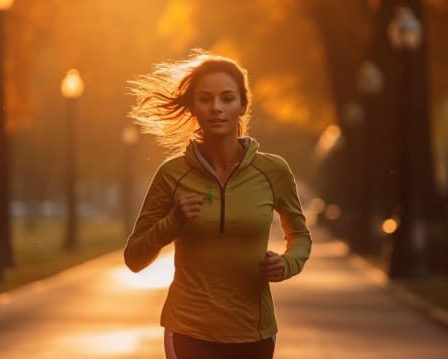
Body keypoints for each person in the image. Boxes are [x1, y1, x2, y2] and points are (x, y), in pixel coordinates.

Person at [124, 49, 312, 359]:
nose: (216, 108)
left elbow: (300, 236)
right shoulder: (172, 174)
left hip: (253, 328)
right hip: (188, 329)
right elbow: (135, 257)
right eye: (205, 99)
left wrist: (287, 263)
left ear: (242, 105)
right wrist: (174, 221)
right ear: (194, 107)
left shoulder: (273, 171)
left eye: (227, 98)